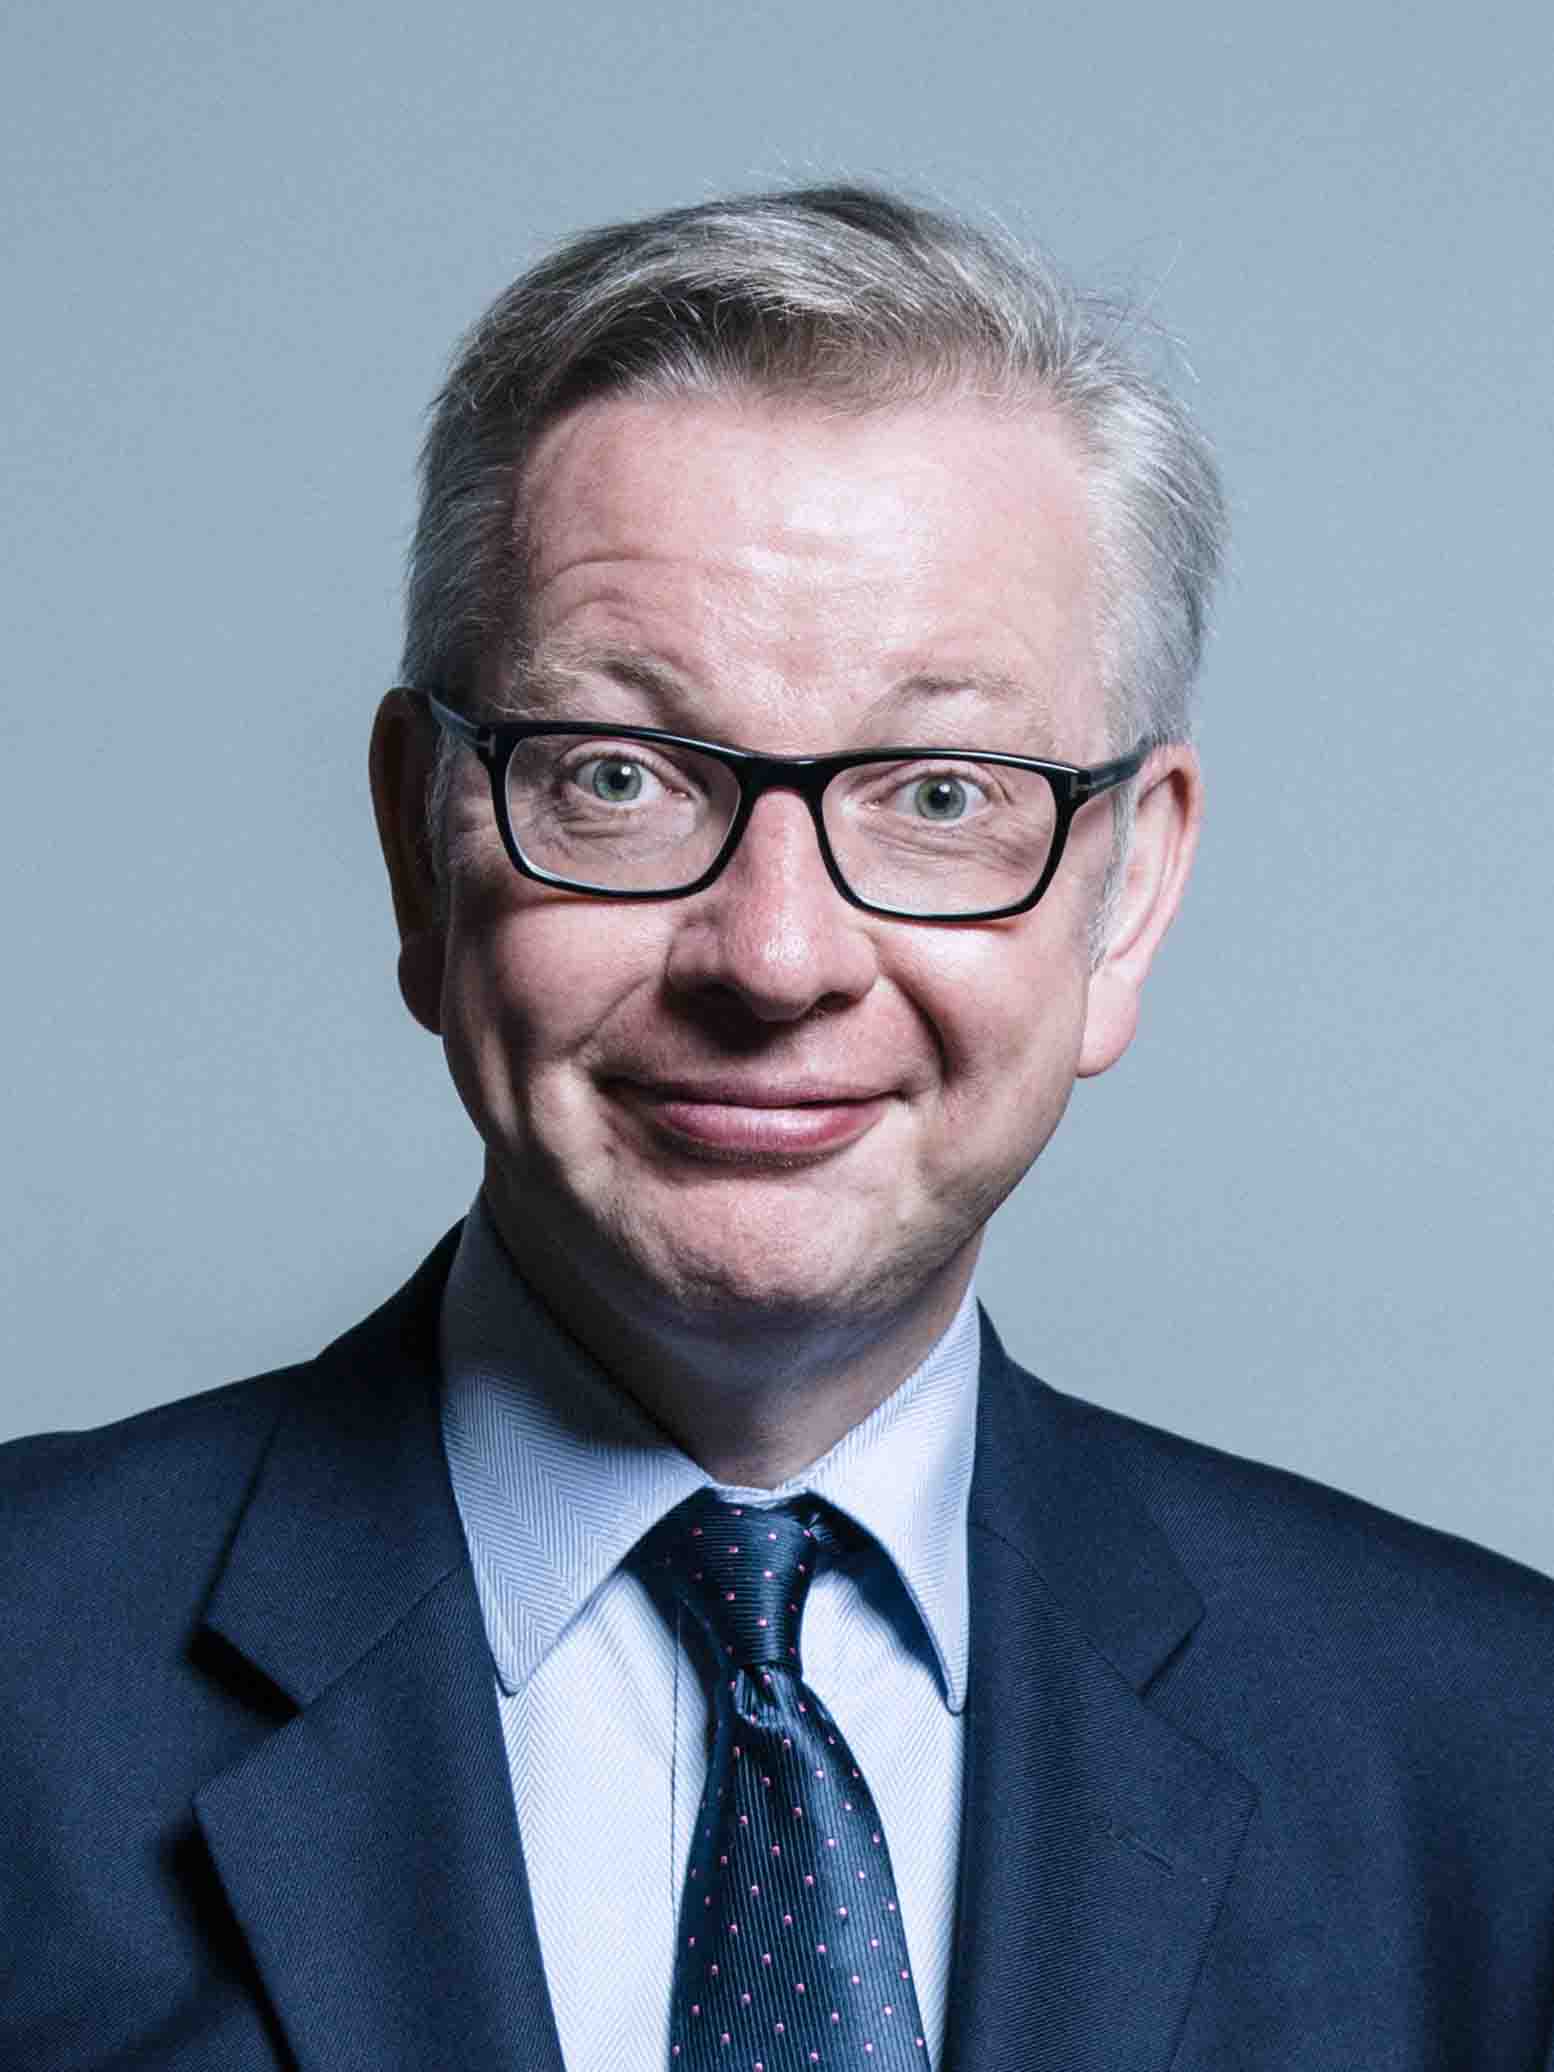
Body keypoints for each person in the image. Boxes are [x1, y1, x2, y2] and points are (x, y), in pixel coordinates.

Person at [3, 185, 1552, 2072]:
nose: (775, 956)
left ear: (1128, 893)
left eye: (939, 793)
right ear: (423, 844)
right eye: (618, 776)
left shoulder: (1494, 1760)